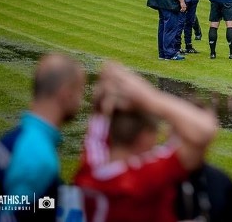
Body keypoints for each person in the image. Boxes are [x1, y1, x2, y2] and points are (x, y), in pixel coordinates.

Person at [74, 61, 219, 222]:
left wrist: (108, 94)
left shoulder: (91, 166)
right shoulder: (145, 176)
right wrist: (150, 98)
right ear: (144, 136)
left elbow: (99, 119)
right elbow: (204, 129)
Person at [0, 53, 86, 222]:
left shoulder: (11, 141)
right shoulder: (37, 156)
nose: (81, 102)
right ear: (66, 94)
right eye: (80, 92)